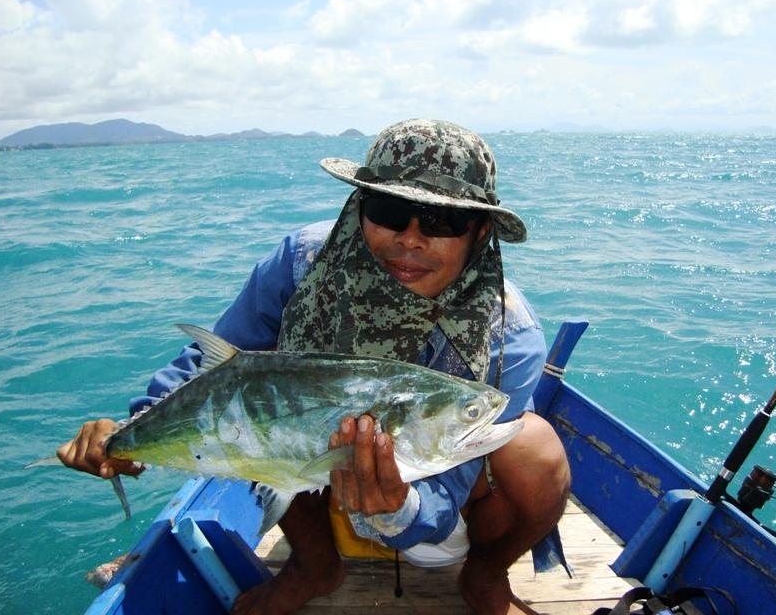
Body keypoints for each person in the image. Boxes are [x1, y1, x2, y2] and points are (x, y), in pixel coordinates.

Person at [57, 119, 571, 614]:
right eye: (390, 209)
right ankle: (314, 563)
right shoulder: (303, 261)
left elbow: (446, 491)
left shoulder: (510, 335)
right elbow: (217, 365)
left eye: (443, 222)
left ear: (480, 233)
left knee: (536, 448)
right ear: (359, 206)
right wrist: (129, 430)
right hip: (299, 466)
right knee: (274, 405)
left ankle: (486, 569)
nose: (410, 239)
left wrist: (397, 508)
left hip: (429, 495)